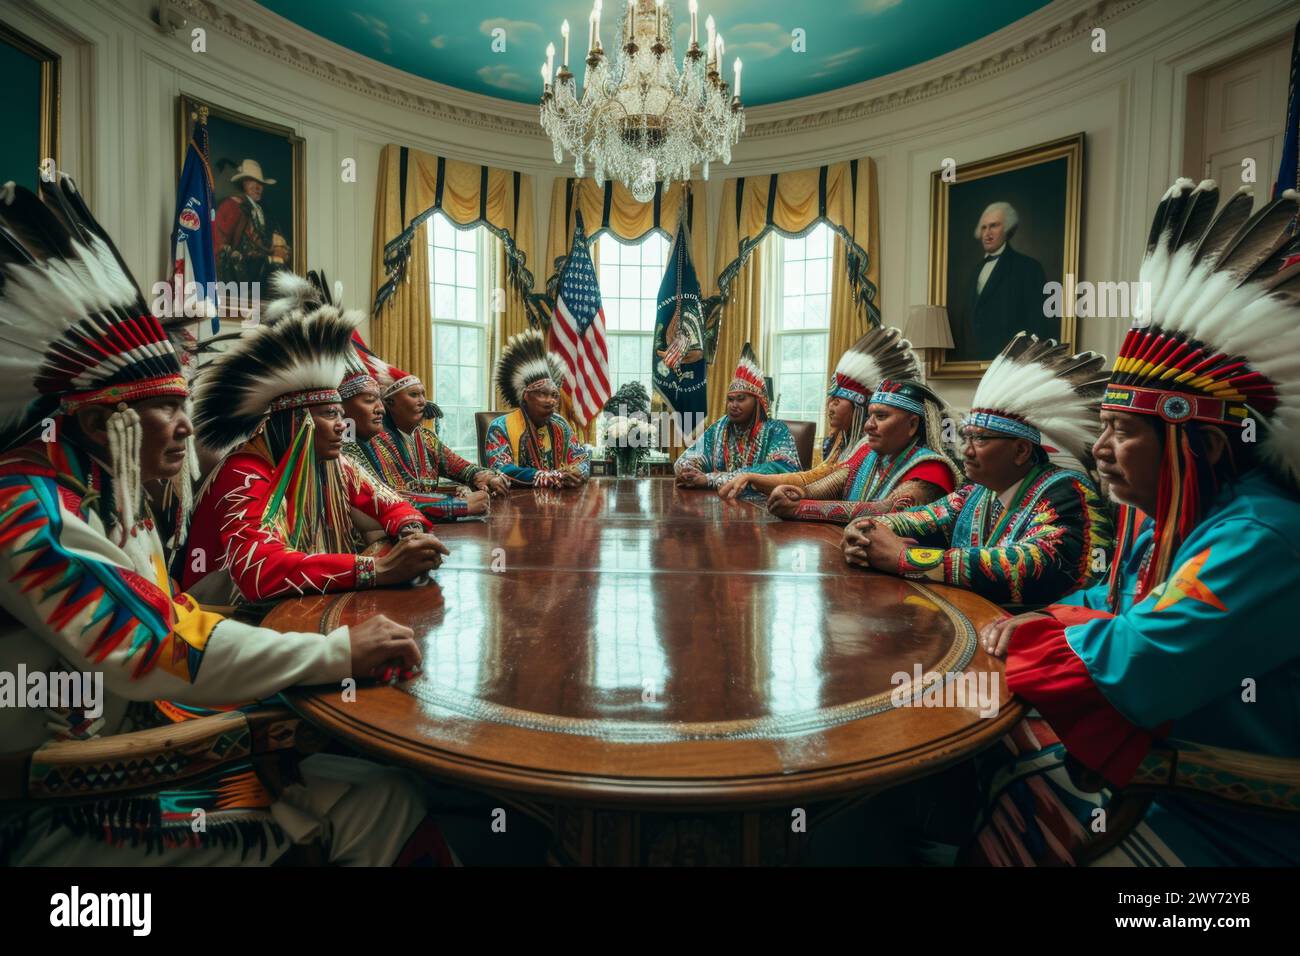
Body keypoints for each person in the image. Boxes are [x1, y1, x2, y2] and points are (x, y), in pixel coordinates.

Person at [0, 176, 451, 865]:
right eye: (164, 407)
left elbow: (385, 500)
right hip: (69, 805)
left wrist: (405, 529)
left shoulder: (105, 482)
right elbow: (158, 642)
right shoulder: (27, 504)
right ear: (97, 419)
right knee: (378, 798)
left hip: (146, 738)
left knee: (383, 785)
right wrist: (338, 642)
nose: (184, 430)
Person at [971, 179, 1300, 865]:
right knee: (987, 772)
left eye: (1121, 431)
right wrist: (1050, 619)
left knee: (996, 771)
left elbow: (1136, 662)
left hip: (1229, 823)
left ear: (1202, 444)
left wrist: (1030, 634)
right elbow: (1114, 601)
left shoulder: (1259, 539)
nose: (1098, 448)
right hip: (1166, 774)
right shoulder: (1173, 517)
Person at [181, 272, 447, 607]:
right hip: (223, 615)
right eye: (330, 414)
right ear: (297, 420)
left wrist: (410, 531)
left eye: (340, 413)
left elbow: (388, 501)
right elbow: (260, 569)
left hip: (290, 608)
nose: (341, 425)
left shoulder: (334, 462)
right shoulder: (245, 472)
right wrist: (376, 568)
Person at [842, 333, 1113, 607]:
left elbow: (1033, 564)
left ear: (1021, 451)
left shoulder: (1068, 492)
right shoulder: (977, 491)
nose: (966, 450)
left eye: (981, 439)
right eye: (967, 437)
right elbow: (924, 517)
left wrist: (905, 558)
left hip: (1042, 637)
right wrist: (869, 529)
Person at [721, 327, 961, 519]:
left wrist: (802, 508)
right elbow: (822, 485)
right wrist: (796, 494)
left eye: (881, 416)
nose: (869, 426)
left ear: (911, 425)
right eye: (870, 415)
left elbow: (887, 510)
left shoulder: (931, 469)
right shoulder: (867, 453)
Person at [357, 355, 506, 510]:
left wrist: (486, 477)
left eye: (423, 394)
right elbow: (385, 498)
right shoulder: (372, 441)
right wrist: (455, 505)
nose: (422, 401)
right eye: (413, 395)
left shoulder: (426, 438)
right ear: (390, 403)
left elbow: (461, 467)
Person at [674, 343, 800, 499]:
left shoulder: (776, 430)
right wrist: (689, 471)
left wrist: (711, 479)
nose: (733, 405)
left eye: (741, 399)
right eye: (730, 399)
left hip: (766, 510)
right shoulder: (720, 427)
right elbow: (686, 459)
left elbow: (782, 469)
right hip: (722, 505)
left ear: (757, 402)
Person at [484, 329, 590, 487]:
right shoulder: (500, 428)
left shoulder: (561, 425)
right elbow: (501, 468)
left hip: (559, 506)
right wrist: (545, 476)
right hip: (514, 506)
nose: (551, 401)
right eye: (542, 394)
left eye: (554, 395)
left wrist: (578, 472)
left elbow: (581, 459)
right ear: (526, 396)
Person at [951, 201, 1054, 361]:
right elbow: (967, 324)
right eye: (984, 227)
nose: (987, 233)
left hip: (1010, 366)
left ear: (1007, 228)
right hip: (974, 363)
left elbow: (1037, 325)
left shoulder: (1028, 268)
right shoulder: (974, 271)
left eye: (994, 226)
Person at [212, 158, 291, 287]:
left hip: (258, 278)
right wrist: (271, 256)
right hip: (238, 282)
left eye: (260, 182)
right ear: (242, 183)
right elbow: (220, 249)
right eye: (251, 181)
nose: (257, 187)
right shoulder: (232, 206)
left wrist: (278, 250)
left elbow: (260, 244)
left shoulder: (260, 210)